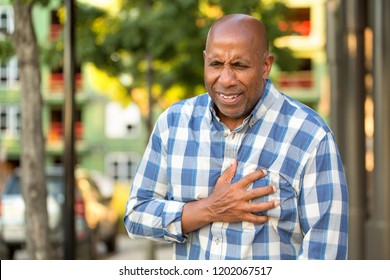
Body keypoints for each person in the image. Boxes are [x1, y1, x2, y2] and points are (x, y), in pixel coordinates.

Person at [124, 13, 348, 260]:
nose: (226, 80)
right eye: (216, 64)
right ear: (205, 61)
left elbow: (326, 253)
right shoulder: (173, 123)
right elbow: (136, 215)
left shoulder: (310, 135)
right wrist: (209, 209)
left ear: (266, 66)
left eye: (240, 66)